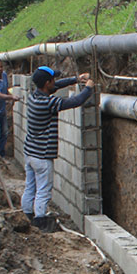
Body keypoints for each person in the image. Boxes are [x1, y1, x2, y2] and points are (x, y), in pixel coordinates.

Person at [22, 65, 95, 231]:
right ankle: (40, 221)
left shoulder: (34, 97)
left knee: (30, 186)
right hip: (42, 156)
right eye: (53, 79)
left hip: (30, 153)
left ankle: (27, 215)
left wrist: (76, 79)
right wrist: (89, 87)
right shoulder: (49, 103)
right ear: (47, 83)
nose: (55, 82)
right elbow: (75, 101)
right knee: (43, 190)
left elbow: (56, 87)